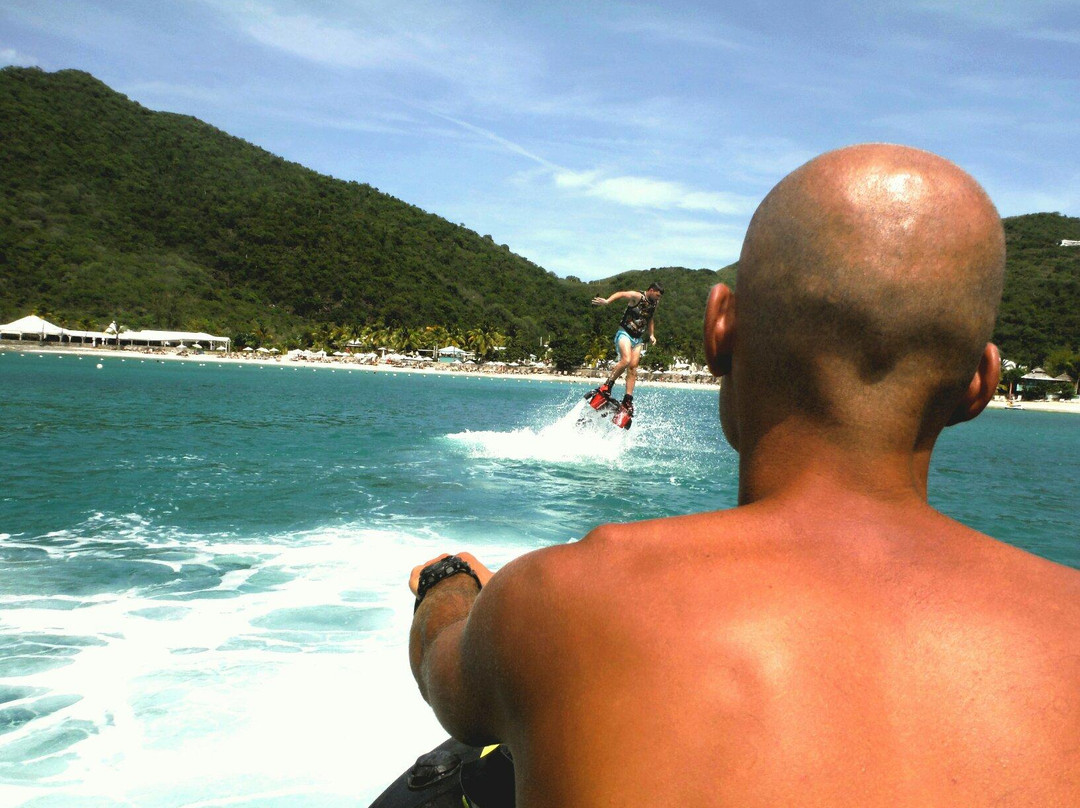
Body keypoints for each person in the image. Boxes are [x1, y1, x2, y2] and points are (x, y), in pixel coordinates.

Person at [407, 144, 1080, 807]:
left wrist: (451, 583)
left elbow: (443, 675)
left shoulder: (561, 598)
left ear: (719, 329)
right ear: (982, 385)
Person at [586, 282, 664, 416]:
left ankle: (627, 400)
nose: (658, 299)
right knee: (626, 360)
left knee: (633, 367)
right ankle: (607, 386)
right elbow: (621, 293)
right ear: (651, 290)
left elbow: (650, 319)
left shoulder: (654, 304)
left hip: (638, 338)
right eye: (657, 295)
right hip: (624, 333)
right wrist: (607, 301)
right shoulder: (637, 296)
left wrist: (651, 334)